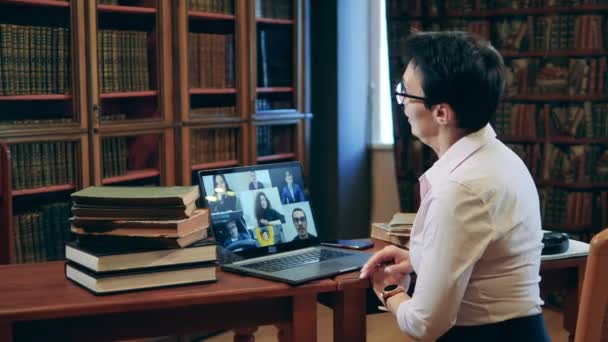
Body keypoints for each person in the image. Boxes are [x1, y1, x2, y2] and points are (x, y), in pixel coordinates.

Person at [359, 31, 549, 341]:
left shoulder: (461, 190)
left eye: (406, 93)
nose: (402, 103)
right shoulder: (500, 158)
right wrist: (419, 259)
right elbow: (486, 261)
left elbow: (425, 324)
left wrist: (388, 289)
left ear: (442, 113)